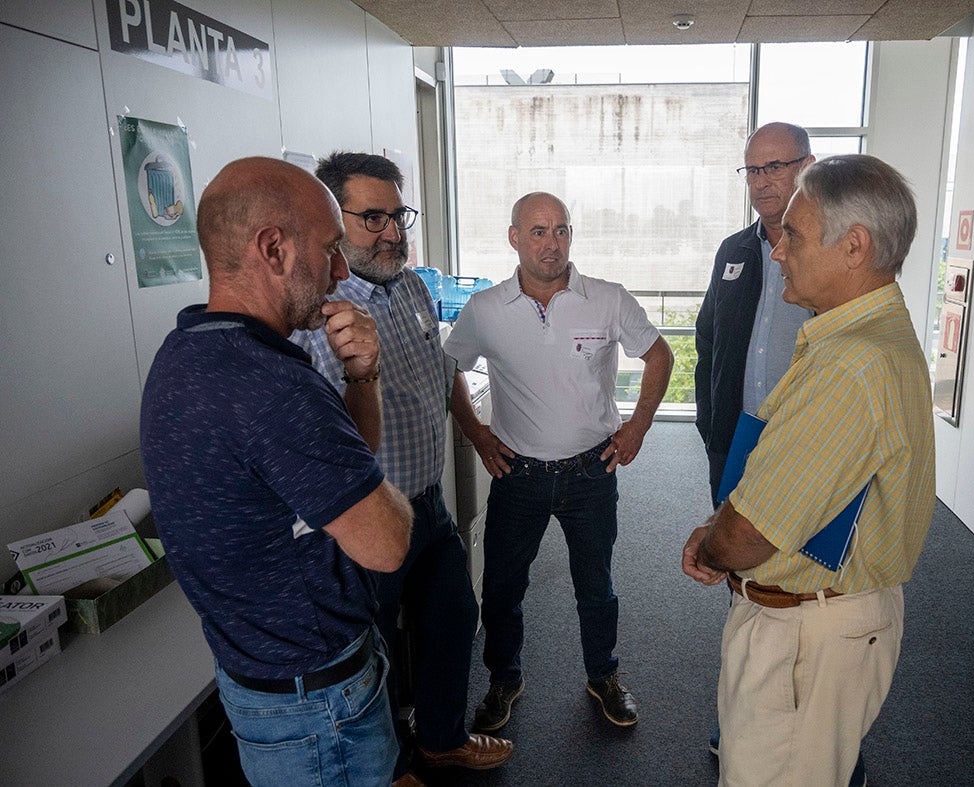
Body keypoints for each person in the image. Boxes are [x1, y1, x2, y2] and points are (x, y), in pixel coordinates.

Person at [140, 157, 415, 787]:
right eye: (329, 250)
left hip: (257, 675)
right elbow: (387, 542)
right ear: (274, 248)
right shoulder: (273, 389)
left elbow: (343, 464)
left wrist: (362, 375)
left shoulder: (186, 351)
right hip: (317, 703)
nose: (341, 272)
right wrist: (400, 499)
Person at [682, 154, 936, 786]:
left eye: (793, 235)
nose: (778, 252)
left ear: (854, 247)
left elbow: (751, 533)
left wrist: (711, 546)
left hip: (807, 633)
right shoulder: (869, 337)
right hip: (826, 618)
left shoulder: (849, 366)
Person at [292, 152, 513, 782]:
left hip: (428, 501)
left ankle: (441, 739)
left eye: (398, 214)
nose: (393, 232)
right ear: (334, 222)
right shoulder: (319, 313)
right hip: (366, 518)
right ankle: (390, 765)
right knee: (374, 650)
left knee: (451, 619)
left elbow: (441, 377)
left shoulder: (414, 287)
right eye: (372, 218)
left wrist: (474, 430)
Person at [445, 191, 674, 730]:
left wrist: (637, 426)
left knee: (596, 587)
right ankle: (504, 679)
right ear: (514, 238)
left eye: (561, 230)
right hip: (517, 476)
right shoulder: (485, 310)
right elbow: (449, 368)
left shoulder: (608, 299)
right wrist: (477, 434)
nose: (552, 244)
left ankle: (603, 676)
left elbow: (659, 354)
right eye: (539, 231)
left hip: (591, 472)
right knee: (502, 588)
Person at [695, 121, 815, 504]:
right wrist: (711, 424)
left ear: (807, 167)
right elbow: (707, 342)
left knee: (797, 556)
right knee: (727, 550)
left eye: (775, 167)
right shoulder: (733, 251)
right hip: (735, 441)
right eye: (752, 170)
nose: (760, 182)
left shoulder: (830, 255)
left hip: (807, 443)